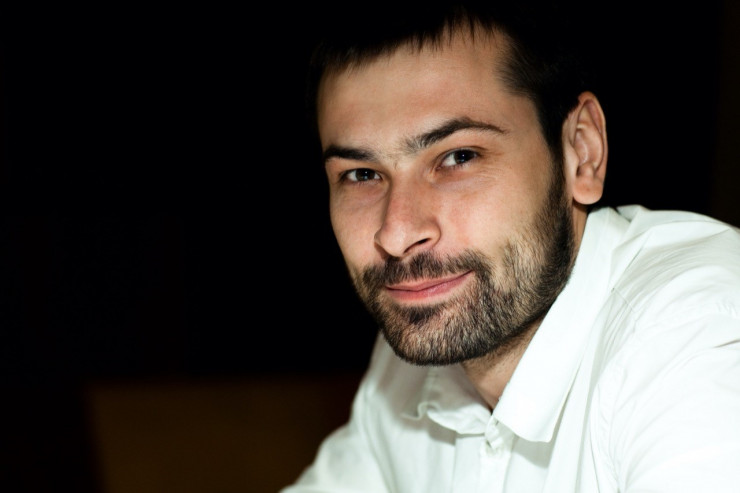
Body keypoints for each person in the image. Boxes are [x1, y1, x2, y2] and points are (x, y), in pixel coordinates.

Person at [281, 2, 740, 491]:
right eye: (361, 175)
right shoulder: (415, 352)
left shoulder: (699, 333)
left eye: (458, 157)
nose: (396, 235)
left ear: (581, 152)